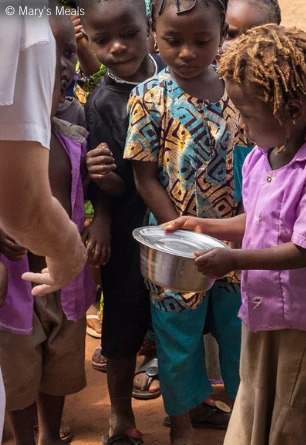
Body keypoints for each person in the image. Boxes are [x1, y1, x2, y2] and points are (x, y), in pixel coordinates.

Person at [157, 25, 306, 445]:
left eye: (248, 115)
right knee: (255, 396)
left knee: (291, 412)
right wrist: (203, 225)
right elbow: (259, 221)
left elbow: (304, 250)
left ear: (293, 111)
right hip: (262, 308)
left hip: (303, 318)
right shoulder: (264, 158)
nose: (242, 126)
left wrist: (232, 260)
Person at [124, 0, 248, 443]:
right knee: (176, 339)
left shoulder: (240, 91)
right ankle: (181, 424)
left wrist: (234, 231)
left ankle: (242, 419)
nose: (187, 53)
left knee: (238, 333)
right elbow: (144, 177)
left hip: (236, 243)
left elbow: (251, 166)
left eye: (202, 41)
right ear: (154, 31)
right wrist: (184, 233)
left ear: (221, 35)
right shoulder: (148, 96)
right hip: (175, 246)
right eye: (173, 41)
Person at [0, 14, 99, 444]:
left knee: (59, 364)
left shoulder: (73, 134)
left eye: (69, 53)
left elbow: (93, 190)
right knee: (19, 367)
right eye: (50, 55)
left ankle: (48, 436)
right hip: (17, 283)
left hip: (66, 285)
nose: (60, 66)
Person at [80, 0, 166, 440]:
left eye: (129, 34)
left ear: (148, 26)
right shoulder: (102, 102)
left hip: (186, 219)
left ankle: (190, 404)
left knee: (182, 316)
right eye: (101, 40)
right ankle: (120, 415)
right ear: (89, 43)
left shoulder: (175, 73)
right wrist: (102, 203)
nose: (117, 47)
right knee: (123, 315)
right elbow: (111, 182)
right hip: (131, 224)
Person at [0, 0, 87, 308]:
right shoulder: (25, 20)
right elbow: (23, 205)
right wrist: (69, 251)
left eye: (69, 52)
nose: (60, 64)